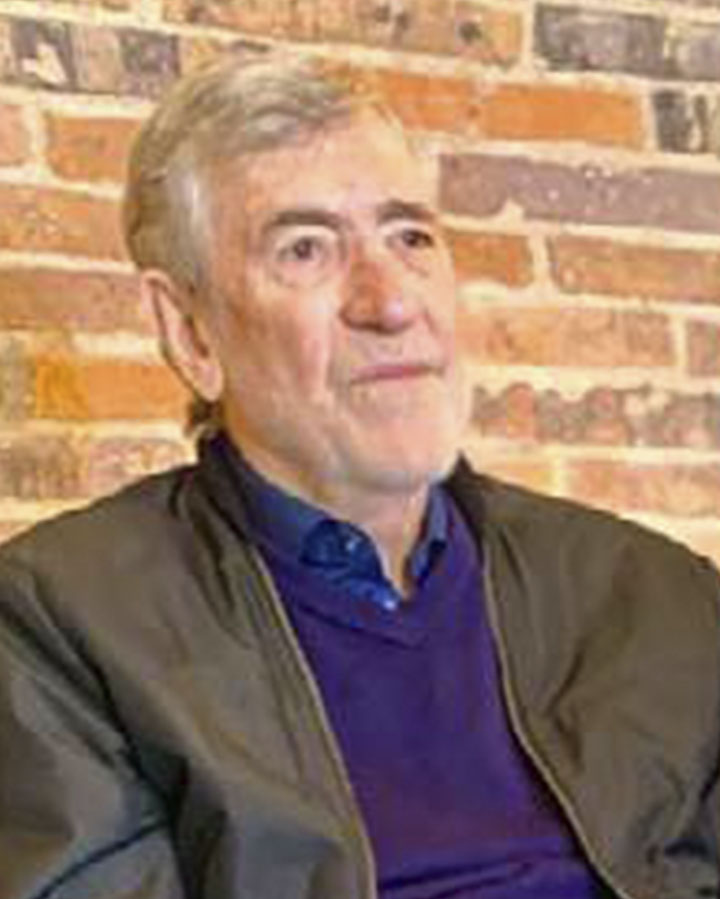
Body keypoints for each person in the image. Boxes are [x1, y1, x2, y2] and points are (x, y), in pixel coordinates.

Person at [0, 52, 719, 899]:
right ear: (190, 331)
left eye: (411, 237)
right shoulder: (60, 624)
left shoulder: (657, 594)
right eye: (305, 249)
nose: (391, 301)